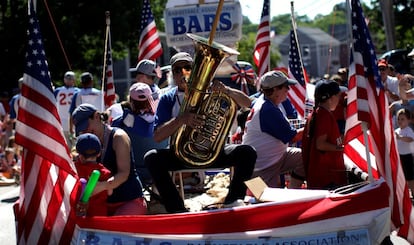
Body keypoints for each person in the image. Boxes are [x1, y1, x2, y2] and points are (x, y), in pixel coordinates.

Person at [144, 52, 256, 213]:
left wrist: (228, 91)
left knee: (247, 152)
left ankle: (233, 200)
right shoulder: (168, 98)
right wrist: (180, 120)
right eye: (177, 70)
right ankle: (176, 209)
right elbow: (157, 136)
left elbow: (248, 104)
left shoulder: (213, 90)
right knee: (151, 158)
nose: (183, 73)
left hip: (213, 153)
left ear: (196, 70)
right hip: (181, 155)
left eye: (188, 68)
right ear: (173, 75)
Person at [72, 103, 147, 215]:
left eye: (87, 127)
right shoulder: (86, 144)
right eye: (82, 130)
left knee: (115, 230)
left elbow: (123, 174)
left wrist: (100, 187)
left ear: (97, 116)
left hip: (128, 200)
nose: (86, 132)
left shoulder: (119, 137)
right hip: (102, 205)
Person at [242, 70, 305, 188]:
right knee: (266, 202)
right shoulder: (267, 109)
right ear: (275, 89)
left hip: (271, 160)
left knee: (304, 157)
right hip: (260, 168)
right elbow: (293, 137)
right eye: (285, 87)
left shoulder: (266, 102)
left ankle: (293, 194)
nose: (288, 90)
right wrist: (311, 126)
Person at [112, 82, 166, 185]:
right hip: (161, 171)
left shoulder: (120, 122)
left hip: (134, 172)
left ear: (130, 100)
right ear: (150, 100)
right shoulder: (165, 121)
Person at [301, 79, 348, 190]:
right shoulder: (324, 115)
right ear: (331, 98)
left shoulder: (319, 113)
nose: (339, 99)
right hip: (326, 178)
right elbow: (320, 144)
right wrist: (340, 148)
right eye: (338, 95)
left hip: (322, 176)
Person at [74, 133, 112, 216]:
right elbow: (110, 192)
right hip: (99, 215)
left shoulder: (75, 168)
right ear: (99, 153)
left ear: (80, 155)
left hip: (79, 213)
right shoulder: (105, 172)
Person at [54, 71, 80, 150]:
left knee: (64, 147)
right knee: (75, 147)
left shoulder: (57, 91)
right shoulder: (77, 91)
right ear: (74, 80)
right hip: (74, 123)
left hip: (61, 123)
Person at [394, 108, 414, 197]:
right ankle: (406, 195)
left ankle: (413, 193)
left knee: (410, 178)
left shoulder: (408, 130)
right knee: (403, 177)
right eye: (398, 119)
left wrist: (400, 138)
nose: (400, 121)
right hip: (399, 157)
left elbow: (410, 139)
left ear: (408, 120)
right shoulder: (396, 131)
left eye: (402, 119)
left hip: (408, 157)